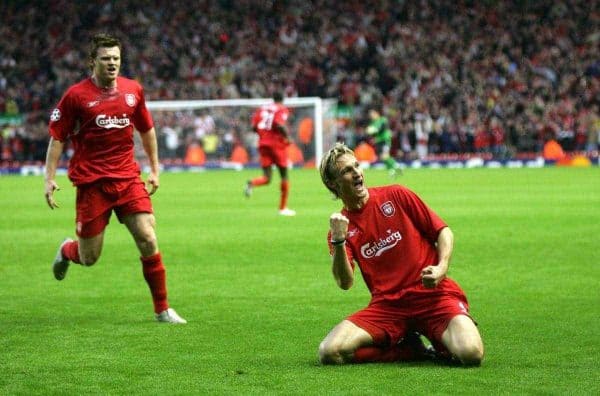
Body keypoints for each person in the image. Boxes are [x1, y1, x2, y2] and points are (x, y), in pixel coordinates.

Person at [44, 33, 186, 324]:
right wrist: (49, 178)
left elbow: (147, 130)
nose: (112, 64)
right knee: (89, 257)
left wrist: (155, 168)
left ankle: (162, 309)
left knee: (147, 236)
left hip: (127, 178)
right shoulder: (76, 96)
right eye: (106, 59)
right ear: (92, 62)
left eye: (116, 59)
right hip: (92, 184)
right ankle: (67, 250)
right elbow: (57, 138)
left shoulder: (133, 90)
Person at [317, 143, 484, 365]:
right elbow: (345, 282)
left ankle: (439, 341)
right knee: (329, 352)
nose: (356, 172)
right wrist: (339, 241)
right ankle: (408, 350)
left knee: (471, 354)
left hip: (432, 296)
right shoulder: (340, 229)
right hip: (388, 308)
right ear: (332, 183)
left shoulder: (396, 195)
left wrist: (442, 267)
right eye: (347, 170)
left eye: (356, 165)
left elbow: (443, 231)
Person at [244, 92, 296, 216]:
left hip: (263, 144)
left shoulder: (262, 108)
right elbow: (278, 124)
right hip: (276, 145)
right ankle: (283, 208)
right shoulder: (282, 109)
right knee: (284, 175)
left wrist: (263, 136)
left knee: (267, 178)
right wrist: (287, 137)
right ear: (282, 99)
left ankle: (252, 183)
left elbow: (253, 127)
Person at [366, 107, 400, 176]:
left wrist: (374, 130)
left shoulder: (382, 120)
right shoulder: (373, 123)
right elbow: (372, 132)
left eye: (372, 114)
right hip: (379, 141)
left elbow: (381, 128)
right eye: (370, 114)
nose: (371, 116)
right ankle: (392, 170)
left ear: (376, 113)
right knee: (383, 157)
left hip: (385, 140)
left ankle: (396, 166)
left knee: (385, 156)